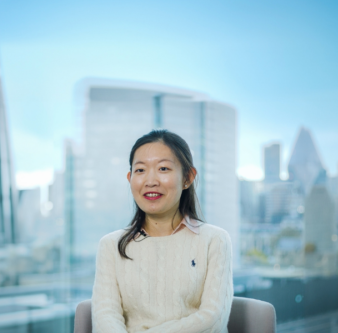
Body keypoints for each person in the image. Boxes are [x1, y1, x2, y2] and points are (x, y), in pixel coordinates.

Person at [91, 129, 233, 333]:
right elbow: (105, 316)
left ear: (188, 177)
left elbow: (213, 319)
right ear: (130, 178)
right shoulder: (111, 245)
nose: (150, 181)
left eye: (163, 168)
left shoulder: (215, 240)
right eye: (140, 170)